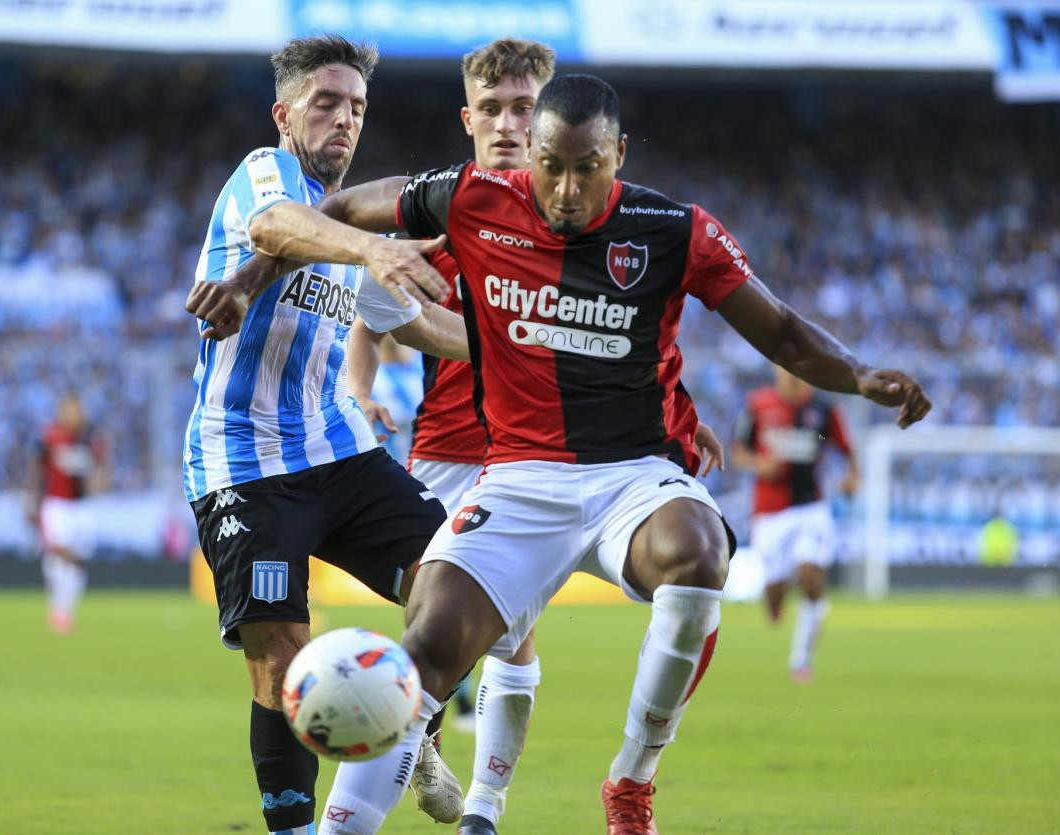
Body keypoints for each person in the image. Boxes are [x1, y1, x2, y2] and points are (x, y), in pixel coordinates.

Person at [311, 73, 932, 834]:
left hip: (633, 478)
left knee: (698, 551)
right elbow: (334, 212)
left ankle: (632, 781)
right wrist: (333, 257)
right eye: (550, 165)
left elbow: (780, 331)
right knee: (427, 648)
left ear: (619, 154)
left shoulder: (674, 229)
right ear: (528, 153)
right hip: (516, 479)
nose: (566, 188)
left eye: (588, 166)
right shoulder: (470, 196)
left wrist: (861, 375)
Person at [345, 38, 723, 835]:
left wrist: (679, 415)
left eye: (526, 108)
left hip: (547, 456)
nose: (511, 124)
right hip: (450, 449)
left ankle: (485, 806)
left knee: (513, 640)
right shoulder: (452, 213)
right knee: (436, 631)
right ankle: (420, 747)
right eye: (495, 110)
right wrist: (360, 385)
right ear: (469, 118)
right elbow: (372, 307)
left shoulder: (576, 216)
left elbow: (622, 343)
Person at [180, 35, 472, 835]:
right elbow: (279, 226)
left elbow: (419, 324)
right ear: (284, 114)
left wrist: (518, 340)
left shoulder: (351, 238)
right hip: (242, 458)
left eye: (357, 107)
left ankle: (407, 735)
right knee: (280, 660)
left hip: (336, 447)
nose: (345, 119)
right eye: (326, 103)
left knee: (463, 581)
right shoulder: (264, 176)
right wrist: (377, 246)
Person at [731, 365, 859, 682]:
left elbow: (846, 448)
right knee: (774, 594)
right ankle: (776, 601)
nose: (792, 374)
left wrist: (853, 476)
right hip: (769, 513)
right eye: (786, 368)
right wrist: (759, 464)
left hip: (810, 507)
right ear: (776, 370)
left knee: (810, 573)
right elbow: (738, 451)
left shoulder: (822, 410)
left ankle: (801, 659)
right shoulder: (758, 405)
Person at [26, 392, 109, 634]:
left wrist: (100, 482)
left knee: (78, 561)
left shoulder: (91, 437)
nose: (74, 414)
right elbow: (36, 467)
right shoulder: (49, 435)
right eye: (70, 409)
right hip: (56, 504)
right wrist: (30, 498)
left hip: (82, 506)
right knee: (58, 551)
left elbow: (102, 467)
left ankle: (66, 610)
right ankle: (58, 607)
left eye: (77, 409)